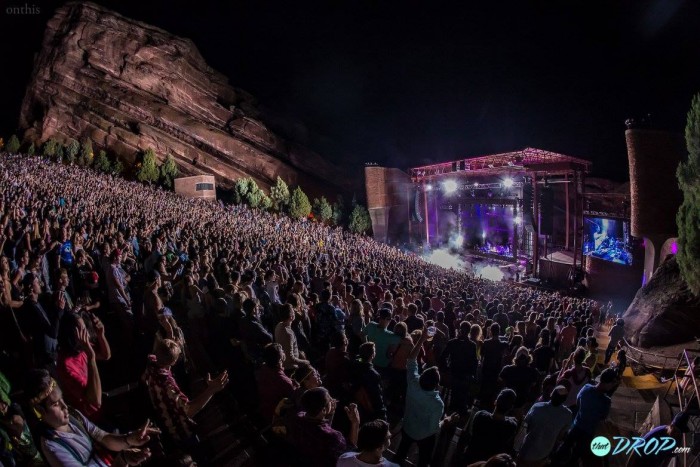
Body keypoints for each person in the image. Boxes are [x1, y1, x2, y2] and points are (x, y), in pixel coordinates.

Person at [25, 369, 157, 467]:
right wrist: (122, 461)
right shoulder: (53, 447)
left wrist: (129, 439)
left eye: (62, 398)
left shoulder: (73, 415)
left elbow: (102, 437)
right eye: (55, 404)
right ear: (40, 411)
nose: (64, 406)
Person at [393, 326, 457, 467]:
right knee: (423, 460)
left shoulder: (413, 383)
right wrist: (447, 420)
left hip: (408, 427)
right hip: (424, 437)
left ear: (422, 376)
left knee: (401, 452)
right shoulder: (437, 403)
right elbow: (434, 428)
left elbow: (411, 359)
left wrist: (422, 339)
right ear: (436, 385)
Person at [142, 338, 229, 443]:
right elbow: (189, 410)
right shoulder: (167, 384)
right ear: (174, 362)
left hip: (159, 418)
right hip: (177, 430)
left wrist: (170, 333)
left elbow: (165, 354)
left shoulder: (151, 362)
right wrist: (211, 389)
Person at [552, 368, 619, 466]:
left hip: (576, 424)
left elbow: (578, 402)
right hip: (588, 431)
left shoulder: (586, 388)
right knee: (576, 454)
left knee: (564, 447)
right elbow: (603, 417)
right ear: (608, 383)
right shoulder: (606, 401)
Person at [286, 387, 361, 467]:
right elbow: (350, 452)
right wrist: (355, 423)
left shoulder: (297, 418)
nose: (332, 400)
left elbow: (321, 427)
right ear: (323, 410)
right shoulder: (333, 437)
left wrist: (330, 413)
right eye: (329, 399)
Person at [518, 386, 572, 466]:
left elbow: (525, 424)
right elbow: (561, 435)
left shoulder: (537, 407)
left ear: (551, 395)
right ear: (564, 400)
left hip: (526, 450)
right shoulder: (568, 414)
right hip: (543, 454)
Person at [462, 389, 518, 464]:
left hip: (471, 460)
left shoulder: (480, 416)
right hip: (490, 463)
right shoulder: (510, 427)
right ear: (511, 408)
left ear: (495, 401)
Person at [439, 321, 479, 416]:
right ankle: (460, 412)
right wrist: (472, 374)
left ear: (460, 330)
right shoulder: (472, 345)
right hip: (465, 374)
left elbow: (443, 356)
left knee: (454, 392)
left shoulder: (452, 342)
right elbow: (474, 361)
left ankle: (451, 412)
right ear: (469, 331)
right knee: (463, 393)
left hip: (453, 372)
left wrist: (446, 369)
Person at [627, 410, 691, 467]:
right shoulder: (656, 434)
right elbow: (636, 449)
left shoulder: (674, 438)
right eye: (675, 431)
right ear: (671, 426)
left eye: (679, 433)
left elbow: (668, 456)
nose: (676, 434)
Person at [256, 343, 297, 423]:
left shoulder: (264, 369)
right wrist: (295, 386)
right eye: (282, 351)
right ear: (280, 359)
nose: (284, 351)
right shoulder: (283, 381)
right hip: (279, 419)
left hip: (266, 412)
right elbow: (295, 397)